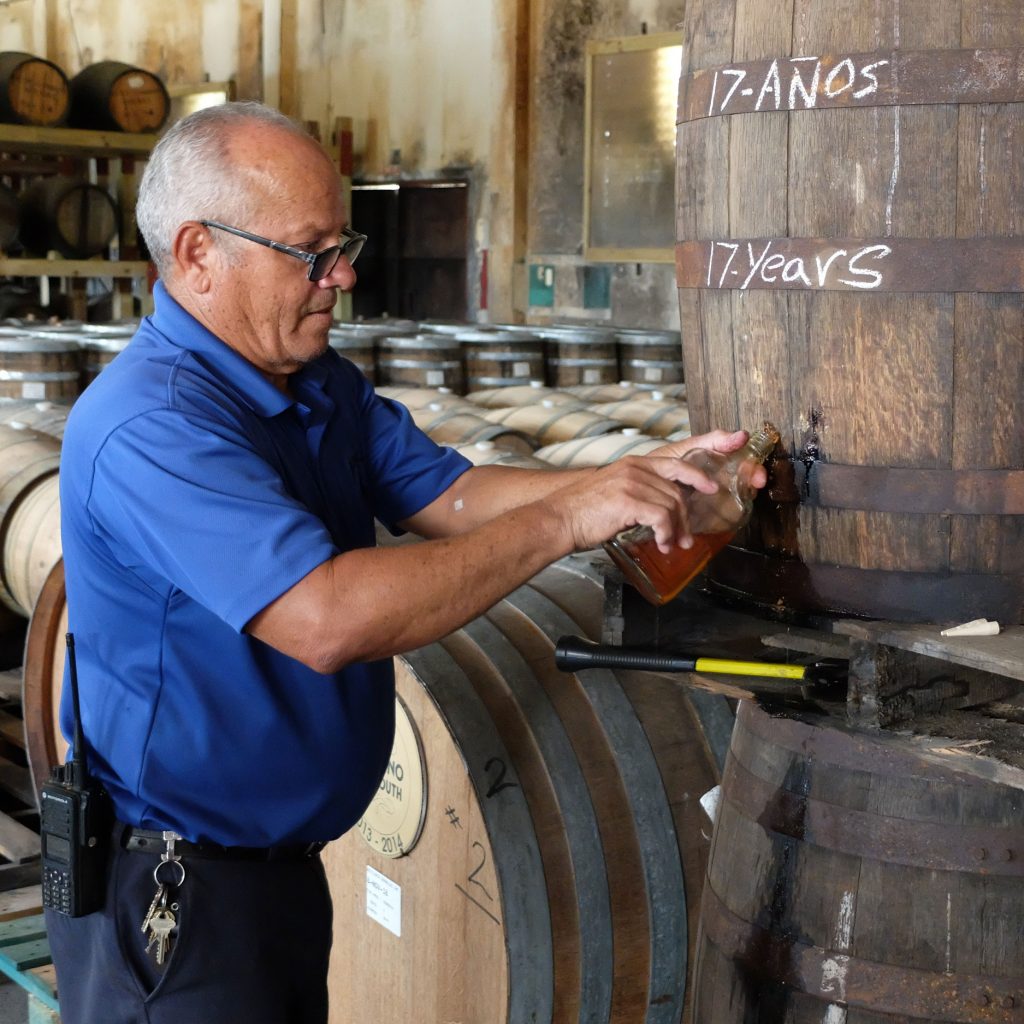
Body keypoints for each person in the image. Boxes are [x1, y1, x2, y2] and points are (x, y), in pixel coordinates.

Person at [46, 101, 765, 1024]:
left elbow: (449, 494)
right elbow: (328, 618)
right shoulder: (153, 426)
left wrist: (631, 480)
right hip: (176, 898)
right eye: (312, 252)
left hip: (274, 879)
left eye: (344, 243)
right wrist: (567, 520)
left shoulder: (308, 379)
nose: (342, 274)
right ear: (197, 255)